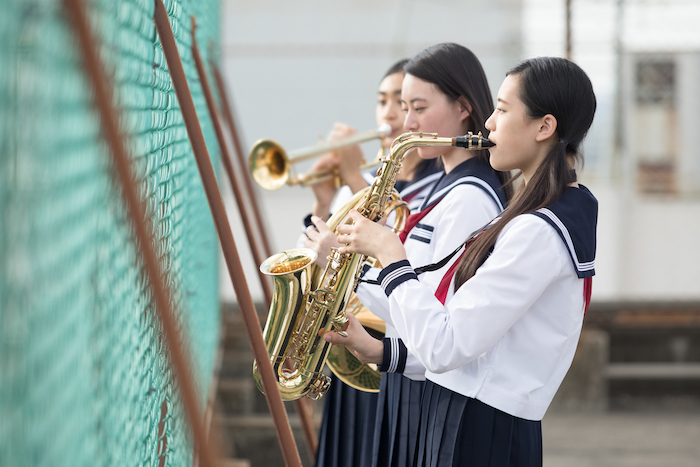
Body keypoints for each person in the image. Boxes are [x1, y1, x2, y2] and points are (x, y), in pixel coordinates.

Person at [326, 56, 598, 466]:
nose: (488, 123)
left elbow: (447, 346)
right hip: (473, 415)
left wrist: (389, 255)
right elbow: (457, 334)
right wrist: (381, 351)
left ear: (544, 127)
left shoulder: (538, 231)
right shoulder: (539, 216)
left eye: (503, 111)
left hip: (481, 428)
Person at [314, 43, 511, 467]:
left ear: (463, 108)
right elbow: (418, 297)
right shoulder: (450, 188)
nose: (406, 123)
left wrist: (353, 266)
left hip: (434, 391)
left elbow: (437, 314)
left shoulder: (469, 199)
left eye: (418, 107)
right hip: (414, 376)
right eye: (404, 107)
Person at [307, 58, 442, 467]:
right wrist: (322, 203)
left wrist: (353, 176)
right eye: (382, 100)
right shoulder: (376, 177)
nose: (388, 113)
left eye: (403, 104)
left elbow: (397, 253)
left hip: (391, 350)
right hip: (349, 342)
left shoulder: (438, 185)